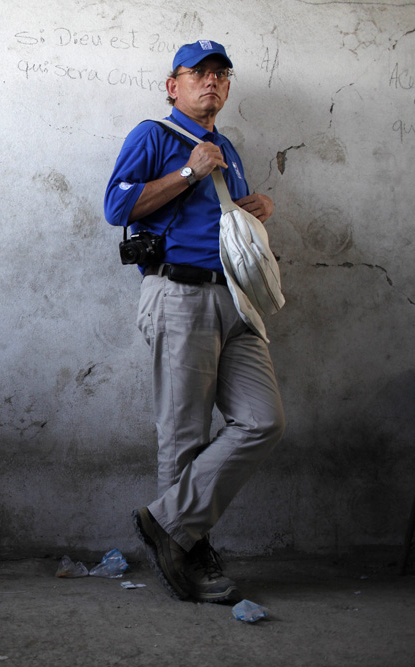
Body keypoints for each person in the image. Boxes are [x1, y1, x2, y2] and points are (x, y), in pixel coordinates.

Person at [104, 40, 285, 602]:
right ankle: (190, 554)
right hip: (178, 294)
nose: (211, 82)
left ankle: (169, 524)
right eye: (198, 73)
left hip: (235, 299)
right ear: (172, 85)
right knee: (183, 437)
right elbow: (117, 206)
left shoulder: (226, 144)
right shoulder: (154, 135)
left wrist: (255, 211)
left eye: (220, 74)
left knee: (263, 420)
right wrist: (188, 168)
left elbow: (224, 218)